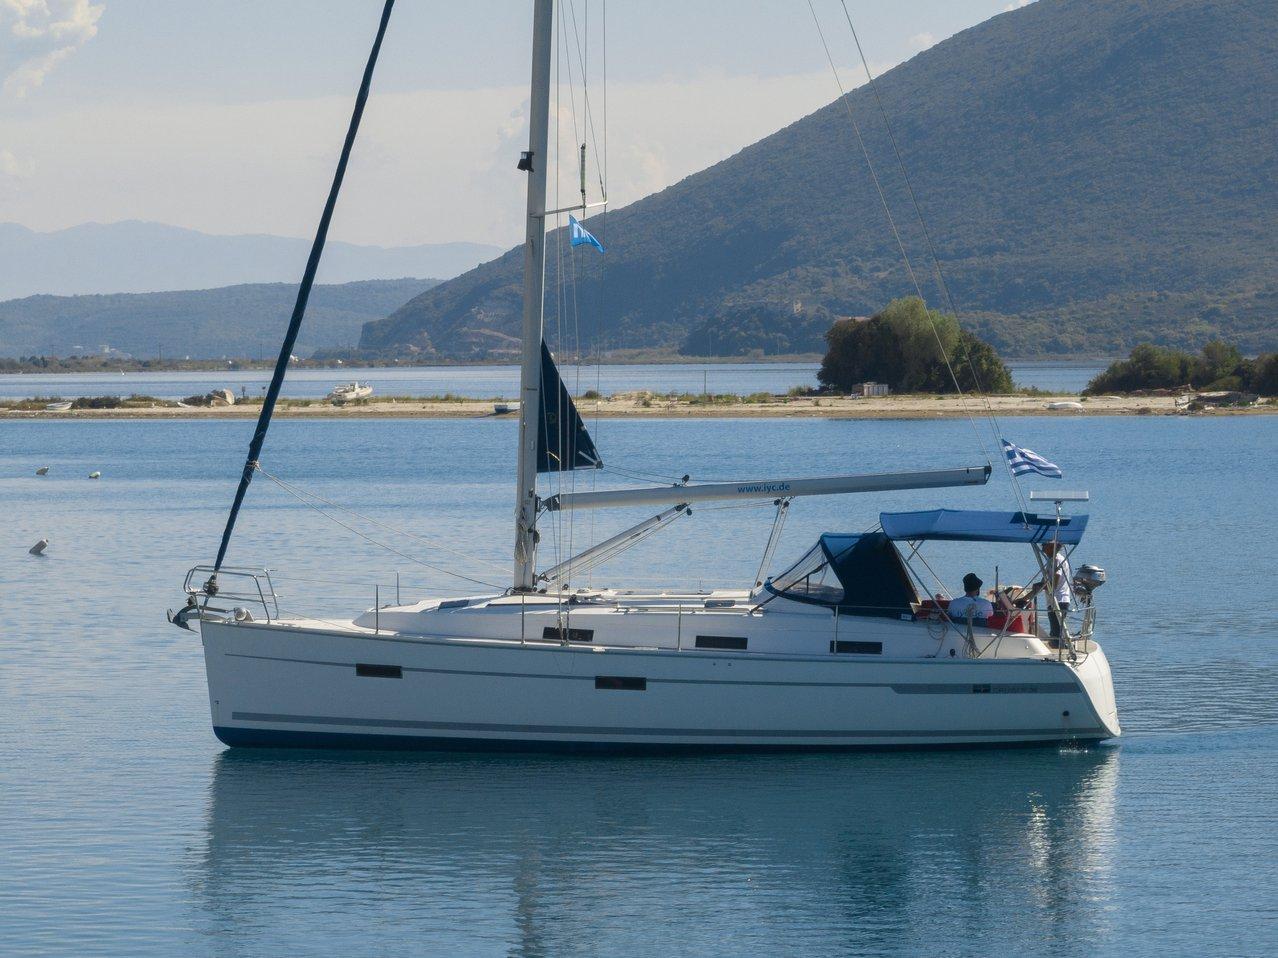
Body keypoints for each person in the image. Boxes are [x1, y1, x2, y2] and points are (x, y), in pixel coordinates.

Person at [1042, 541, 1074, 638]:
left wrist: (1043, 586)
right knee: (1055, 631)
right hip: (1054, 601)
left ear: (1052, 548)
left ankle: (1060, 645)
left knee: (1056, 633)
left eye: (1045, 545)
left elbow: (1054, 581)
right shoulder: (1051, 560)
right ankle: (1059, 643)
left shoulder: (1057, 560)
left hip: (1059, 600)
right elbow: (1045, 580)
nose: (1042, 548)